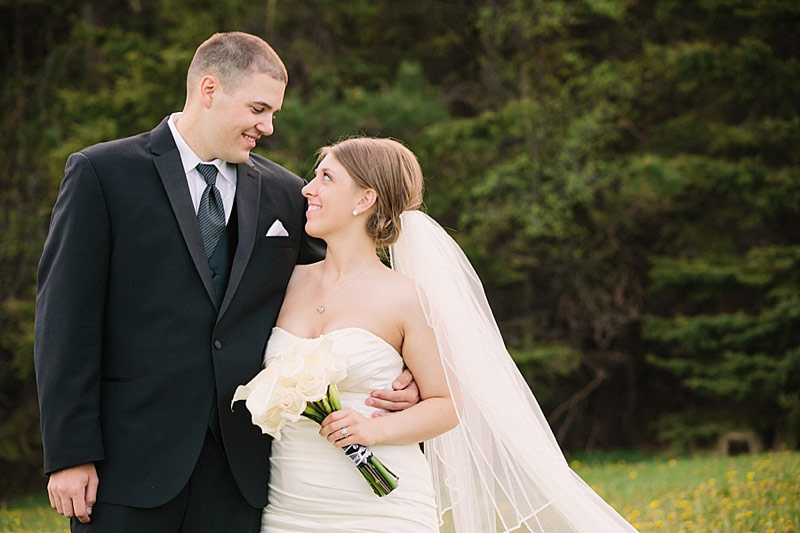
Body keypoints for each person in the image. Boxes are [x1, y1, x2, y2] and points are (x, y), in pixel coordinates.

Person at [34, 32, 416, 532]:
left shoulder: (283, 193)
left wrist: (399, 370)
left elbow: (345, 284)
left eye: (274, 112)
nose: (269, 126)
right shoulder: (103, 173)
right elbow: (65, 322)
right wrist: (70, 453)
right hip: (126, 464)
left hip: (241, 472)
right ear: (209, 90)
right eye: (259, 108)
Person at [258, 137, 638, 532]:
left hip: (380, 508)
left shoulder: (405, 298)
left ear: (365, 198)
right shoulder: (288, 282)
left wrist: (374, 429)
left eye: (326, 178)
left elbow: (447, 403)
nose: (308, 189)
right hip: (290, 508)